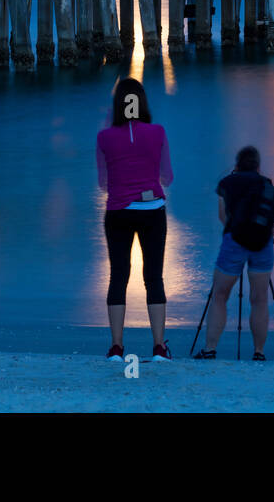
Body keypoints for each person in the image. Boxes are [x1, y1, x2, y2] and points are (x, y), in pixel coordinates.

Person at [96, 77, 173, 361]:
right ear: (143, 103)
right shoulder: (158, 132)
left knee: (119, 276)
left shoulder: (104, 137)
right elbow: (168, 176)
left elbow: (103, 182)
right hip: (152, 210)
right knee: (153, 277)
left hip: (118, 211)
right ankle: (159, 348)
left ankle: (117, 346)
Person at [194, 146, 274, 361]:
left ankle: (210, 348)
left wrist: (237, 231)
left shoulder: (226, 183)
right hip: (263, 244)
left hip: (234, 241)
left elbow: (222, 216)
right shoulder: (268, 185)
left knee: (220, 295)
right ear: (257, 166)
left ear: (237, 164)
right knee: (259, 299)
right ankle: (259, 352)